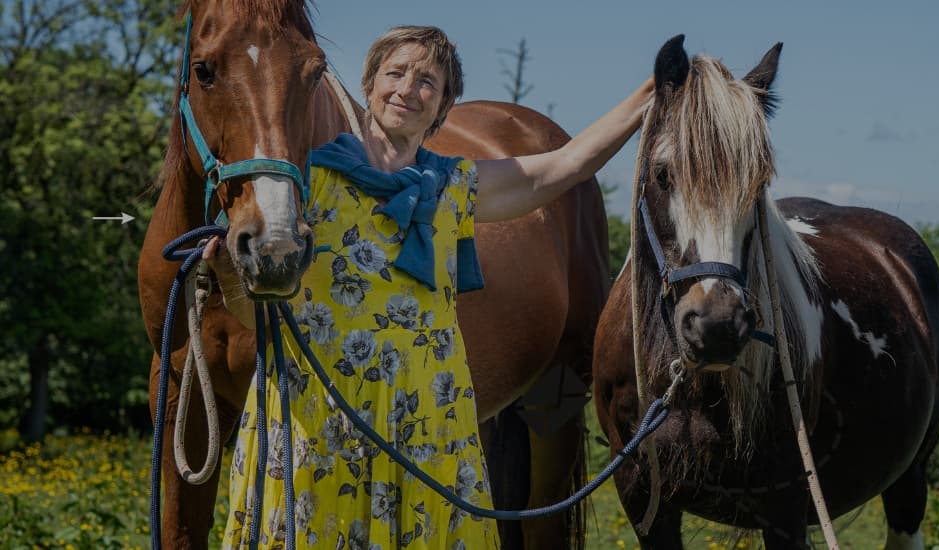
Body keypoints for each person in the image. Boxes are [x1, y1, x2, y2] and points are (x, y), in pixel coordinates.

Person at [212, 25, 651, 549]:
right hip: (319, 429)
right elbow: (251, 312)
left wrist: (653, 91)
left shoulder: (450, 186)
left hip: (427, 428)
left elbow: (565, 164)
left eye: (427, 81)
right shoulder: (311, 181)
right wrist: (224, 276)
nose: (406, 89)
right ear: (370, 84)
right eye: (395, 73)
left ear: (442, 105)